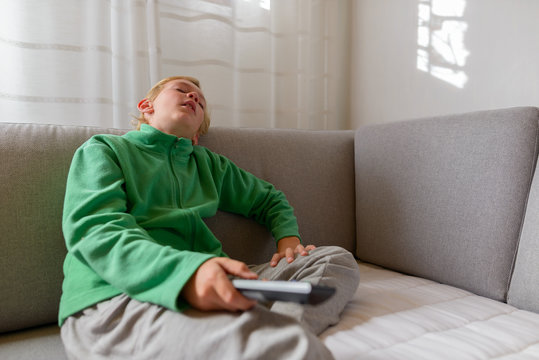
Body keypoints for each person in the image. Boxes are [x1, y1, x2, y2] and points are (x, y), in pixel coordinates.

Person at [59, 76, 360, 360]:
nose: (193, 97)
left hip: (215, 283)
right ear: (146, 106)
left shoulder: (209, 165)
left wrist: (288, 240)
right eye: (181, 90)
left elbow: (269, 199)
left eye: (201, 102)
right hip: (116, 297)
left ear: (197, 135)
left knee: (336, 259)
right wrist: (188, 273)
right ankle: (266, 333)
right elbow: (95, 230)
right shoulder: (104, 149)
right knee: (297, 349)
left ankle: (269, 326)